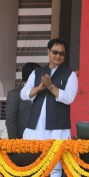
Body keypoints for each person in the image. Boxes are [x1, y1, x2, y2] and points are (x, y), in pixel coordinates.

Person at [20, 38, 78, 177]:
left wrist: (51, 86)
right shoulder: (36, 73)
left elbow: (69, 98)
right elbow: (23, 94)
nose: (58, 56)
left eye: (62, 53)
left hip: (57, 126)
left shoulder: (70, 74)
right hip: (36, 125)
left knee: (55, 167)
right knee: (34, 164)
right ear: (48, 52)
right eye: (55, 52)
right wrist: (39, 88)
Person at [6, 62, 41, 139]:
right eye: (39, 74)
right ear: (31, 76)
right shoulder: (14, 94)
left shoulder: (41, 93)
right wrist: (15, 144)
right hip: (22, 142)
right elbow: (10, 120)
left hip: (42, 142)